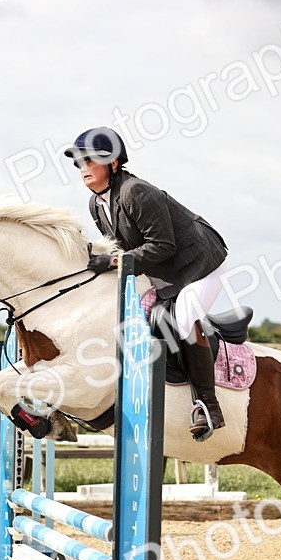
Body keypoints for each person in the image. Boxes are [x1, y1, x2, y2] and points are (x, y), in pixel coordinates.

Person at [65, 126, 229, 441]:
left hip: (201, 264)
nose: (83, 168)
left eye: (90, 160)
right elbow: (121, 249)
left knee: (182, 318)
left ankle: (209, 405)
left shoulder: (135, 192)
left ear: (114, 163)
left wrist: (113, 262)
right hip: (164, 273)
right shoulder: (96, 203)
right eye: (79, 163)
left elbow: (162, 245)